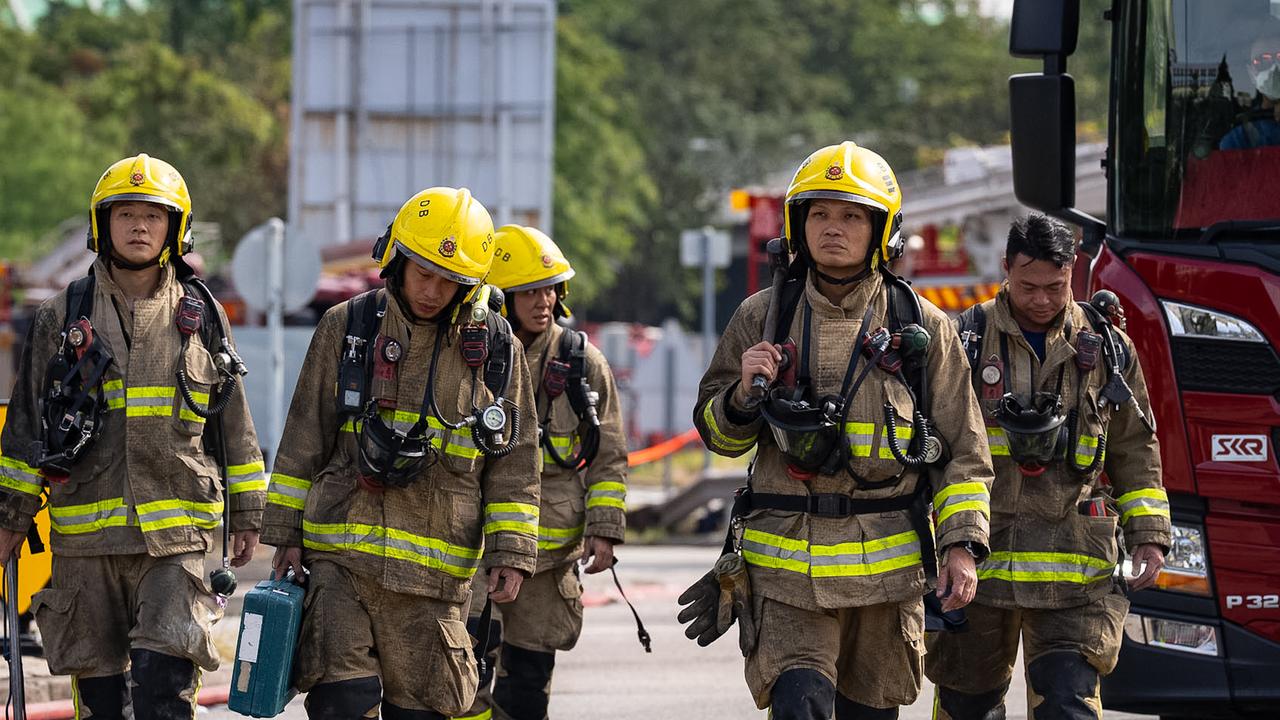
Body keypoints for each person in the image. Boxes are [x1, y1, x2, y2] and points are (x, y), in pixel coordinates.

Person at [684, 141, 994, 719]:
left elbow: (965, 456)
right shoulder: (760, 316)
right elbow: (718, 437)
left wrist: (962, 545)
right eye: (819, 213)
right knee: (799, 705)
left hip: (887, 582)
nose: (833, 228)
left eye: (852, 214)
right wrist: (744, 394)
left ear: (881, 228)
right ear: (796, 224)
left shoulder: (922, 328)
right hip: (787, 577)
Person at [0, 153, 265, 720]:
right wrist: (10, 523)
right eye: (125, 214)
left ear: (175, 228)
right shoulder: (59, 318)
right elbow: (25, 433)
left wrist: (248, 515)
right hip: (85, 547)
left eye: (153, 215)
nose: (139, 227)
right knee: (102, 704)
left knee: (163, 691)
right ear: (102, 226)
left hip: (175, 544)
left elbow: (233, 427)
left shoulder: (204, 315)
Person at [261, 187, 541, 720]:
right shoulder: (348, 329)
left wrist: (512, 551)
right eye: (423, 272)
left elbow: (515, 464)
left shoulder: (497, 351)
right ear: (397, 259)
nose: (433, 290)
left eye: (450, 279)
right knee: (340, 704)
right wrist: (284, 535)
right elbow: (303, 439)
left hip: (435, 587)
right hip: (341, 567)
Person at [925, 213, 1170, 720]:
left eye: (1055, 287)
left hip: (1076, 572)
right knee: (965, 705)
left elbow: (1135, 451)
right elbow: (932, 450)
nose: (1041, 299)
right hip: (977, 570)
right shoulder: (963, 341)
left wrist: (1149, 532)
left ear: (1074, 271)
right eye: (1027, 285)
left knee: (1068, 704)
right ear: (1005, 269)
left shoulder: (1108, 350)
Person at [455, 225, 629, 720]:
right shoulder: (471, 355)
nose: (544, 300)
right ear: (500, 297)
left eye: (551, 288)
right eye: (530, 290)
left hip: (549, 556)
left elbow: (609, 454)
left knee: (528, 686)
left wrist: (604, 529)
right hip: (476, 552)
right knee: (463, 678)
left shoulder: (580, 363)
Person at [1220, 33, 1280, 149]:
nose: (1275, 68)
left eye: (1279, 58)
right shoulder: (1239, 137)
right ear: (1251, 72)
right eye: (1263, 61)